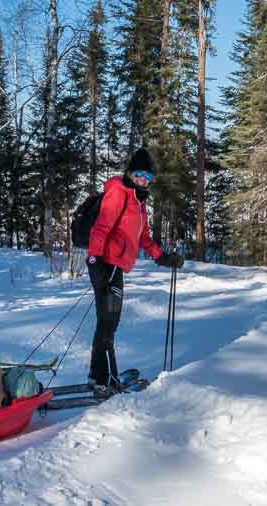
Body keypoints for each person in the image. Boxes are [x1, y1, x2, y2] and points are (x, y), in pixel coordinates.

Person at [86, 147, 184, 395]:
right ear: (130, 172)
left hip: (115, 267)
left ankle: (102, 375)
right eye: (140, 174)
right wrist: (95, 260)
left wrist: (163, 258)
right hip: (106, 264)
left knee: (109, 323)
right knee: (107, 324)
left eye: (148, 177)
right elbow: (101, 227)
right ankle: (102, 378)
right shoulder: (119, 192)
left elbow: (145, 239)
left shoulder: (138, 203)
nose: (144, 180)